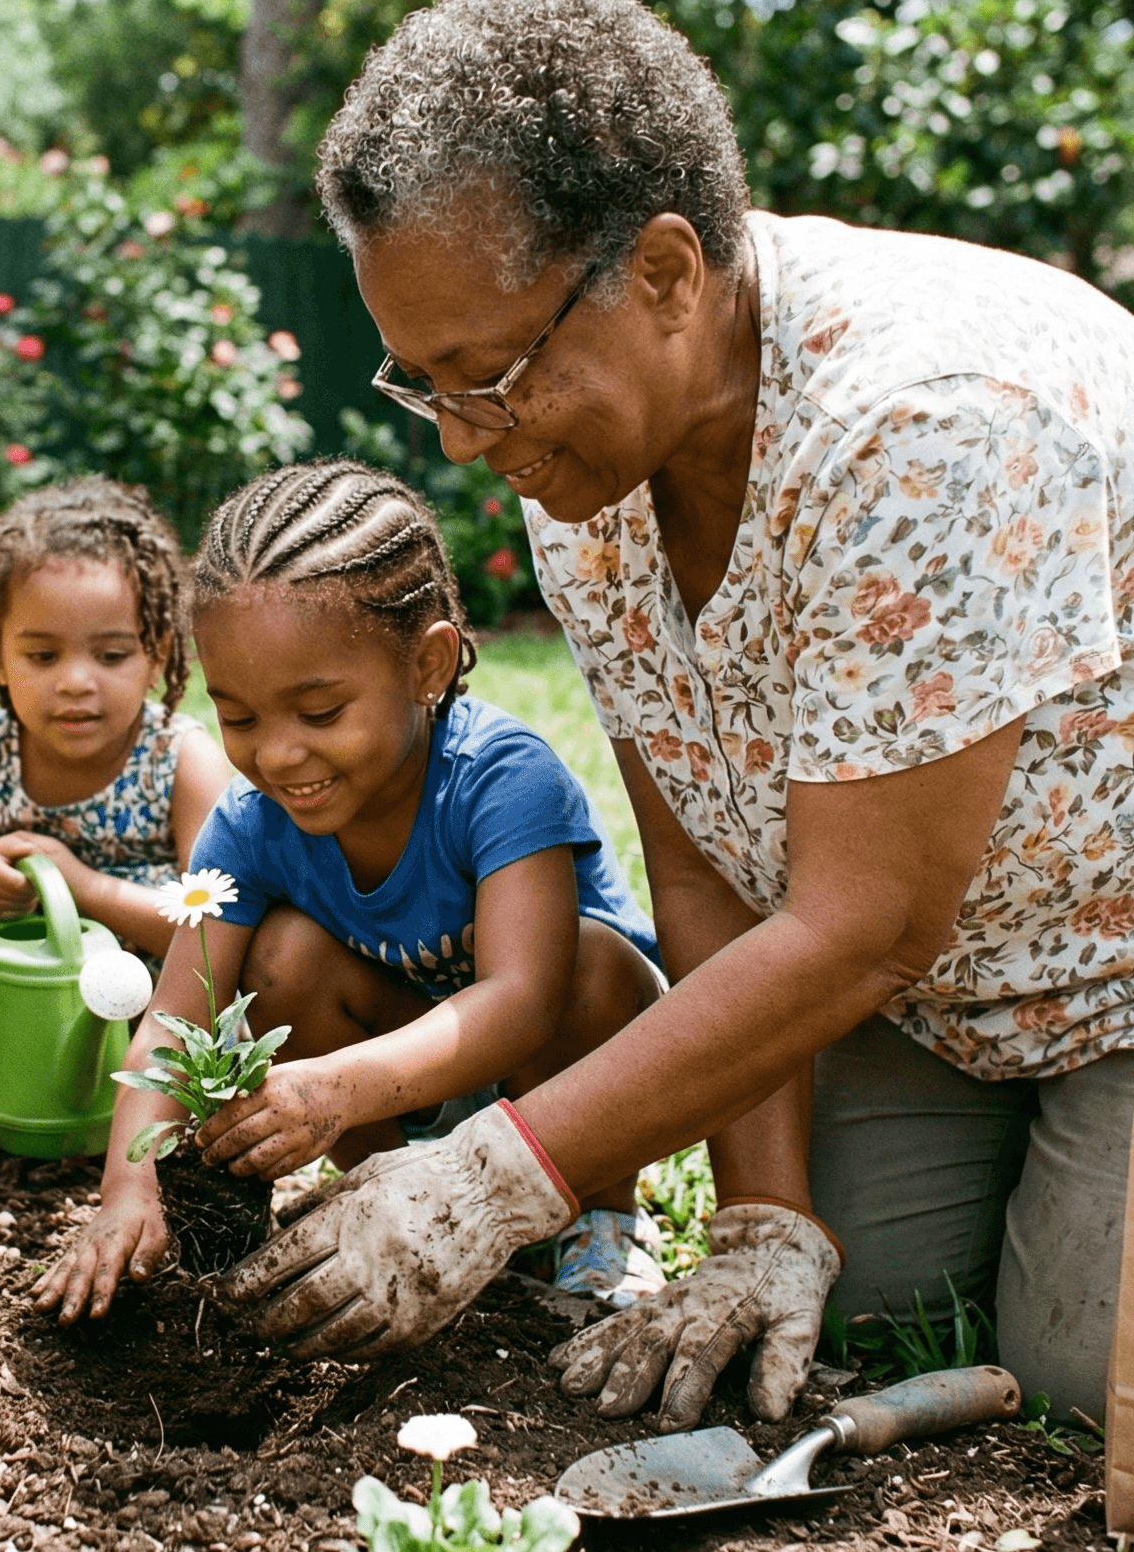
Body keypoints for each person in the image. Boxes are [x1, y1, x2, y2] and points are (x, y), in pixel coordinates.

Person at [219, 0, 1134, 1429]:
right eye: (425, 382)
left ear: (661, 272)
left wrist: (496, 1179)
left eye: (490, 375)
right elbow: (704, 853)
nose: (462, 435)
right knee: (870, 1286)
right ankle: (1076, 1139)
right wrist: (766, 1221)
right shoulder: (584, 461)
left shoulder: (928, 428)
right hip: (992, 928)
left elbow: (866, 926)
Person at [34, 460, 673, 1322]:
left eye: (321, 713)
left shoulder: (501, 780)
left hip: (563, 1066)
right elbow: (176, 1022)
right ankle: (387, 1181)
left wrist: (334, 1087)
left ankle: (599, 1210)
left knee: (592, 966)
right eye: (241, 718)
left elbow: (523, 1001)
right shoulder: (251, 822)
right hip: (403, 1076)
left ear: (429, 665)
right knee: (282, 956)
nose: (280, 755)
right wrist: (127, 1189)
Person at [0, 478, 229, 1110]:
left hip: (142, 1019)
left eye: (112, 654)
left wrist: (85, 887)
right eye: (42, 656)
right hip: (2, 998)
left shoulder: (180, 760)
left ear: (158, 657)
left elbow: (214, 934)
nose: (75, 682)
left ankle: (143, 1091)